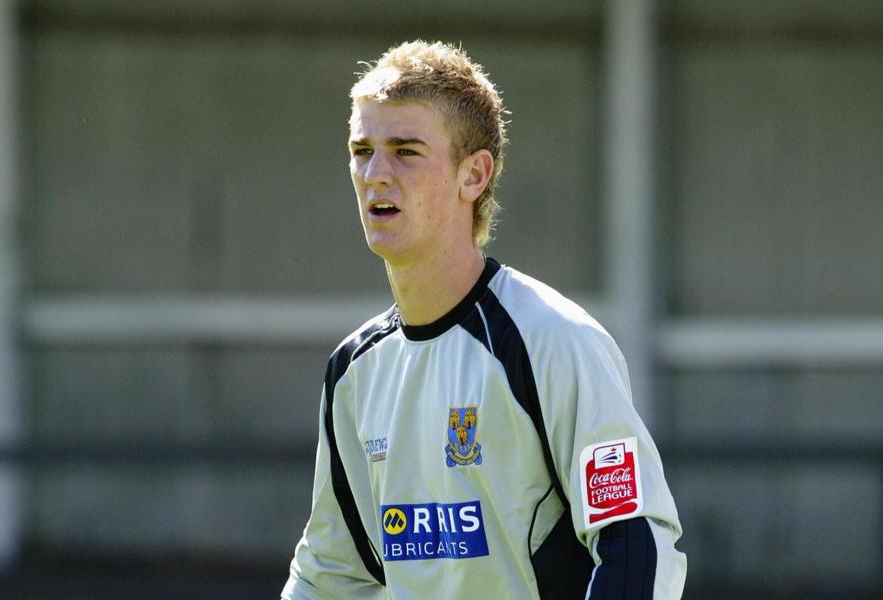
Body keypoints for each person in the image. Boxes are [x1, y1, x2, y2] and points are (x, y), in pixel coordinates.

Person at [282, 40, 686, 599]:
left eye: (405, 151)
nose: (375, 173)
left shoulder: (553, 341)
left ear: (473, 175)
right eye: (361, 150)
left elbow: (637, 544)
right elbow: (330, 578)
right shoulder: (354, 372)